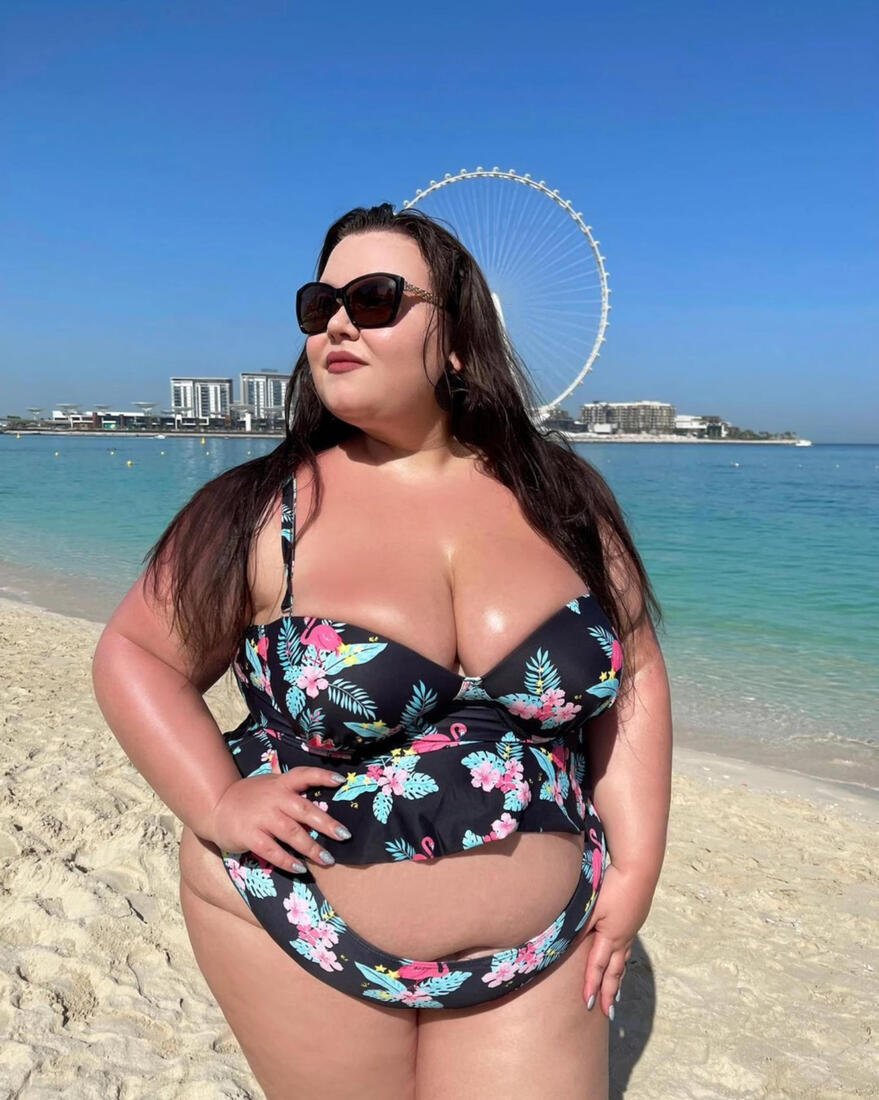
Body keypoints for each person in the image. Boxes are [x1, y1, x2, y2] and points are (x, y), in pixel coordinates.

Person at [92, 203, 672, 1099]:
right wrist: (217, 800)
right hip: (298, 927)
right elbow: (137, 654)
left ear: (459, 341)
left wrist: (634, 871)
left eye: (373, 299)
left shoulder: (561, 498)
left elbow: (633, 667)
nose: (336, 323)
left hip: (545, 945)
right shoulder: (261, 510)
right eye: (318, 303)